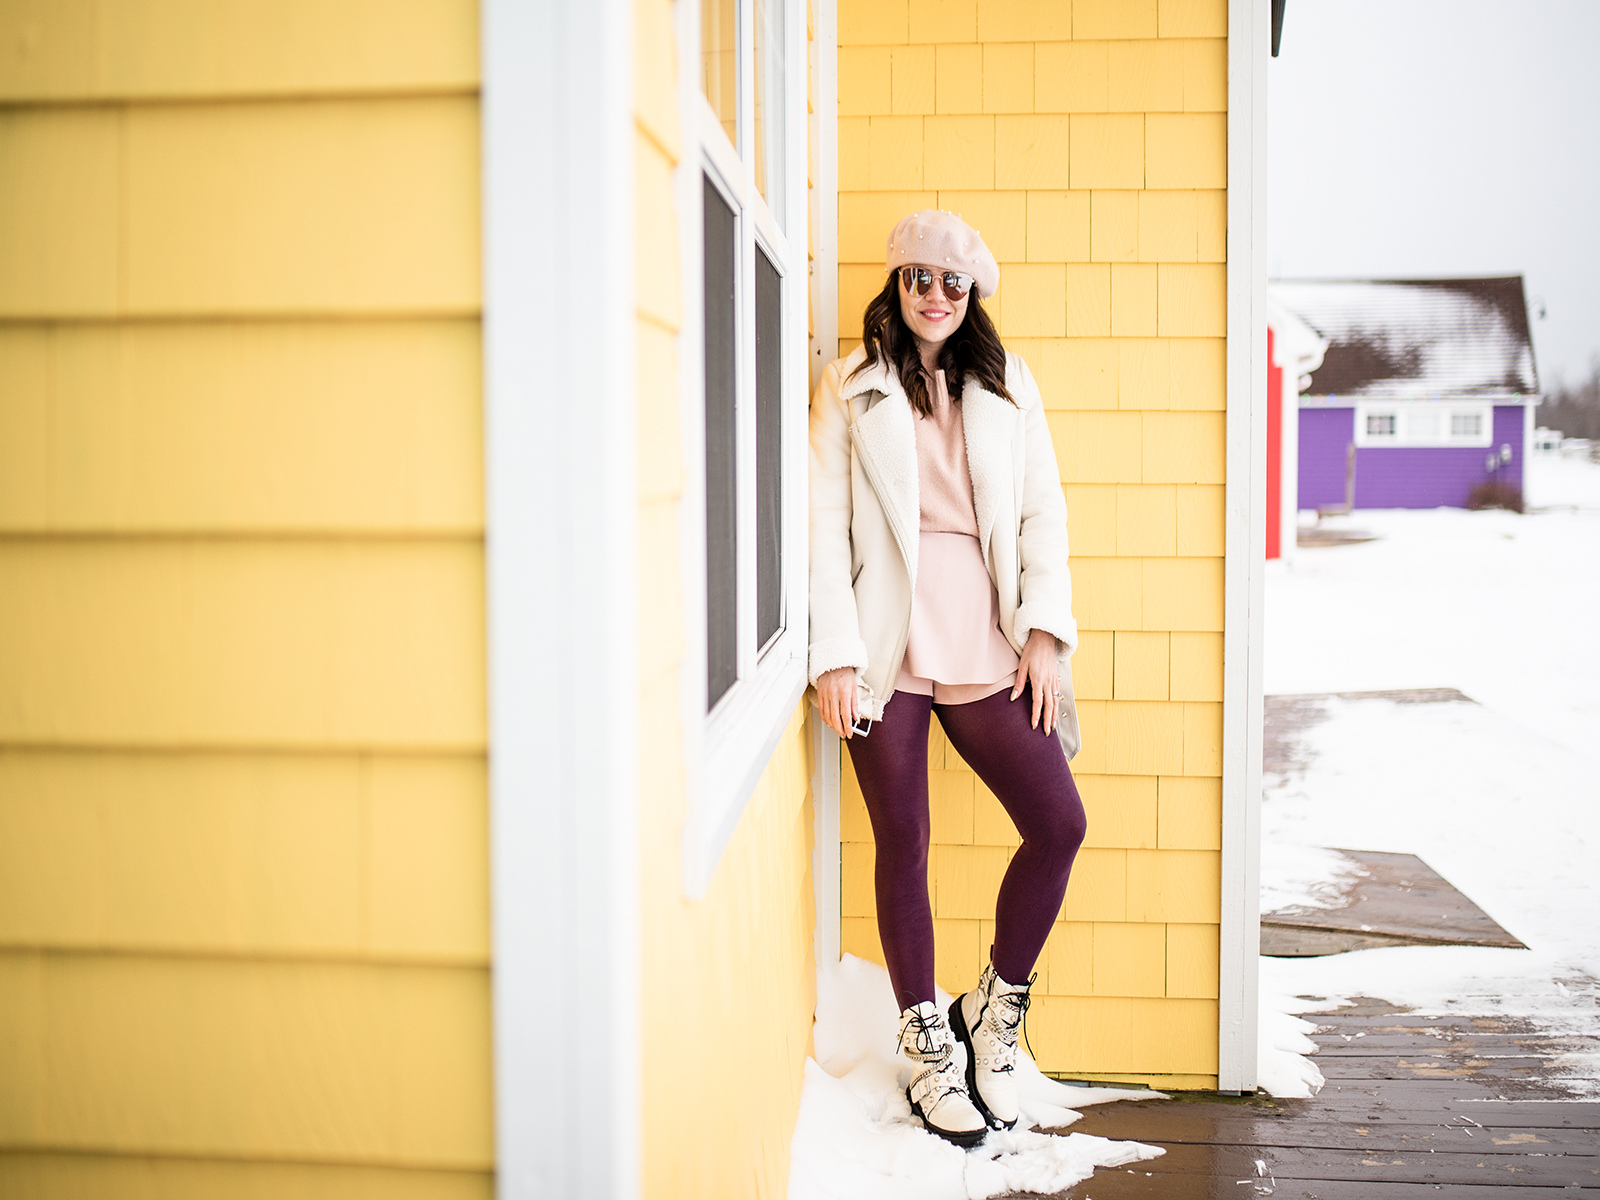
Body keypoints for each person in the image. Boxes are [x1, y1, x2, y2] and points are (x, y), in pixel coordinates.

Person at [809, 210, 1088, 1146]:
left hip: (986, 632)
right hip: (885, 637)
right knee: (906, 840)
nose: (935, 296)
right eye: (919, 278)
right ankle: (929, 1047)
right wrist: (835, 652)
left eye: (953, 283)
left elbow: (1043, 514)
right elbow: (820, 529)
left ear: (972, 295)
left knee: (1058, 823)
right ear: (897, 285)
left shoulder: (1009, 386)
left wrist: (1044, 633)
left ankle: (993, 1016)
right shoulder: (849, 387)